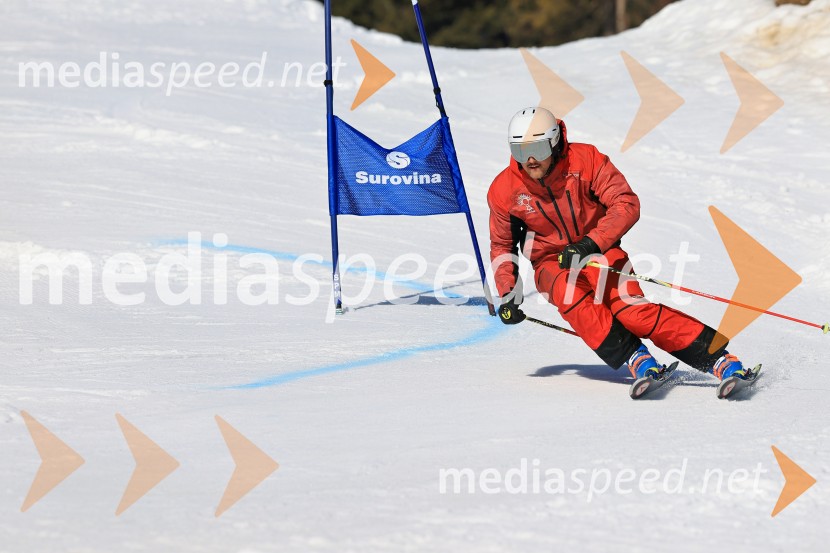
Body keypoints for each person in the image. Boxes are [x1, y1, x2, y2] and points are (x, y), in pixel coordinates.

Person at [487, 107, 747, 382]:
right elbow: (502, 245)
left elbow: (625, 203)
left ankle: (719, 359)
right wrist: (508, 294)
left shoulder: (586, 161)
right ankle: (637, 358)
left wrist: (591, 243)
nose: (529, 160)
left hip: (599, 250)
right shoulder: (504, 190)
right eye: (519, 151)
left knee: (633, 313)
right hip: (552, 262)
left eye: (537, 149)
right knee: (573, 298)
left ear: (554, 142)